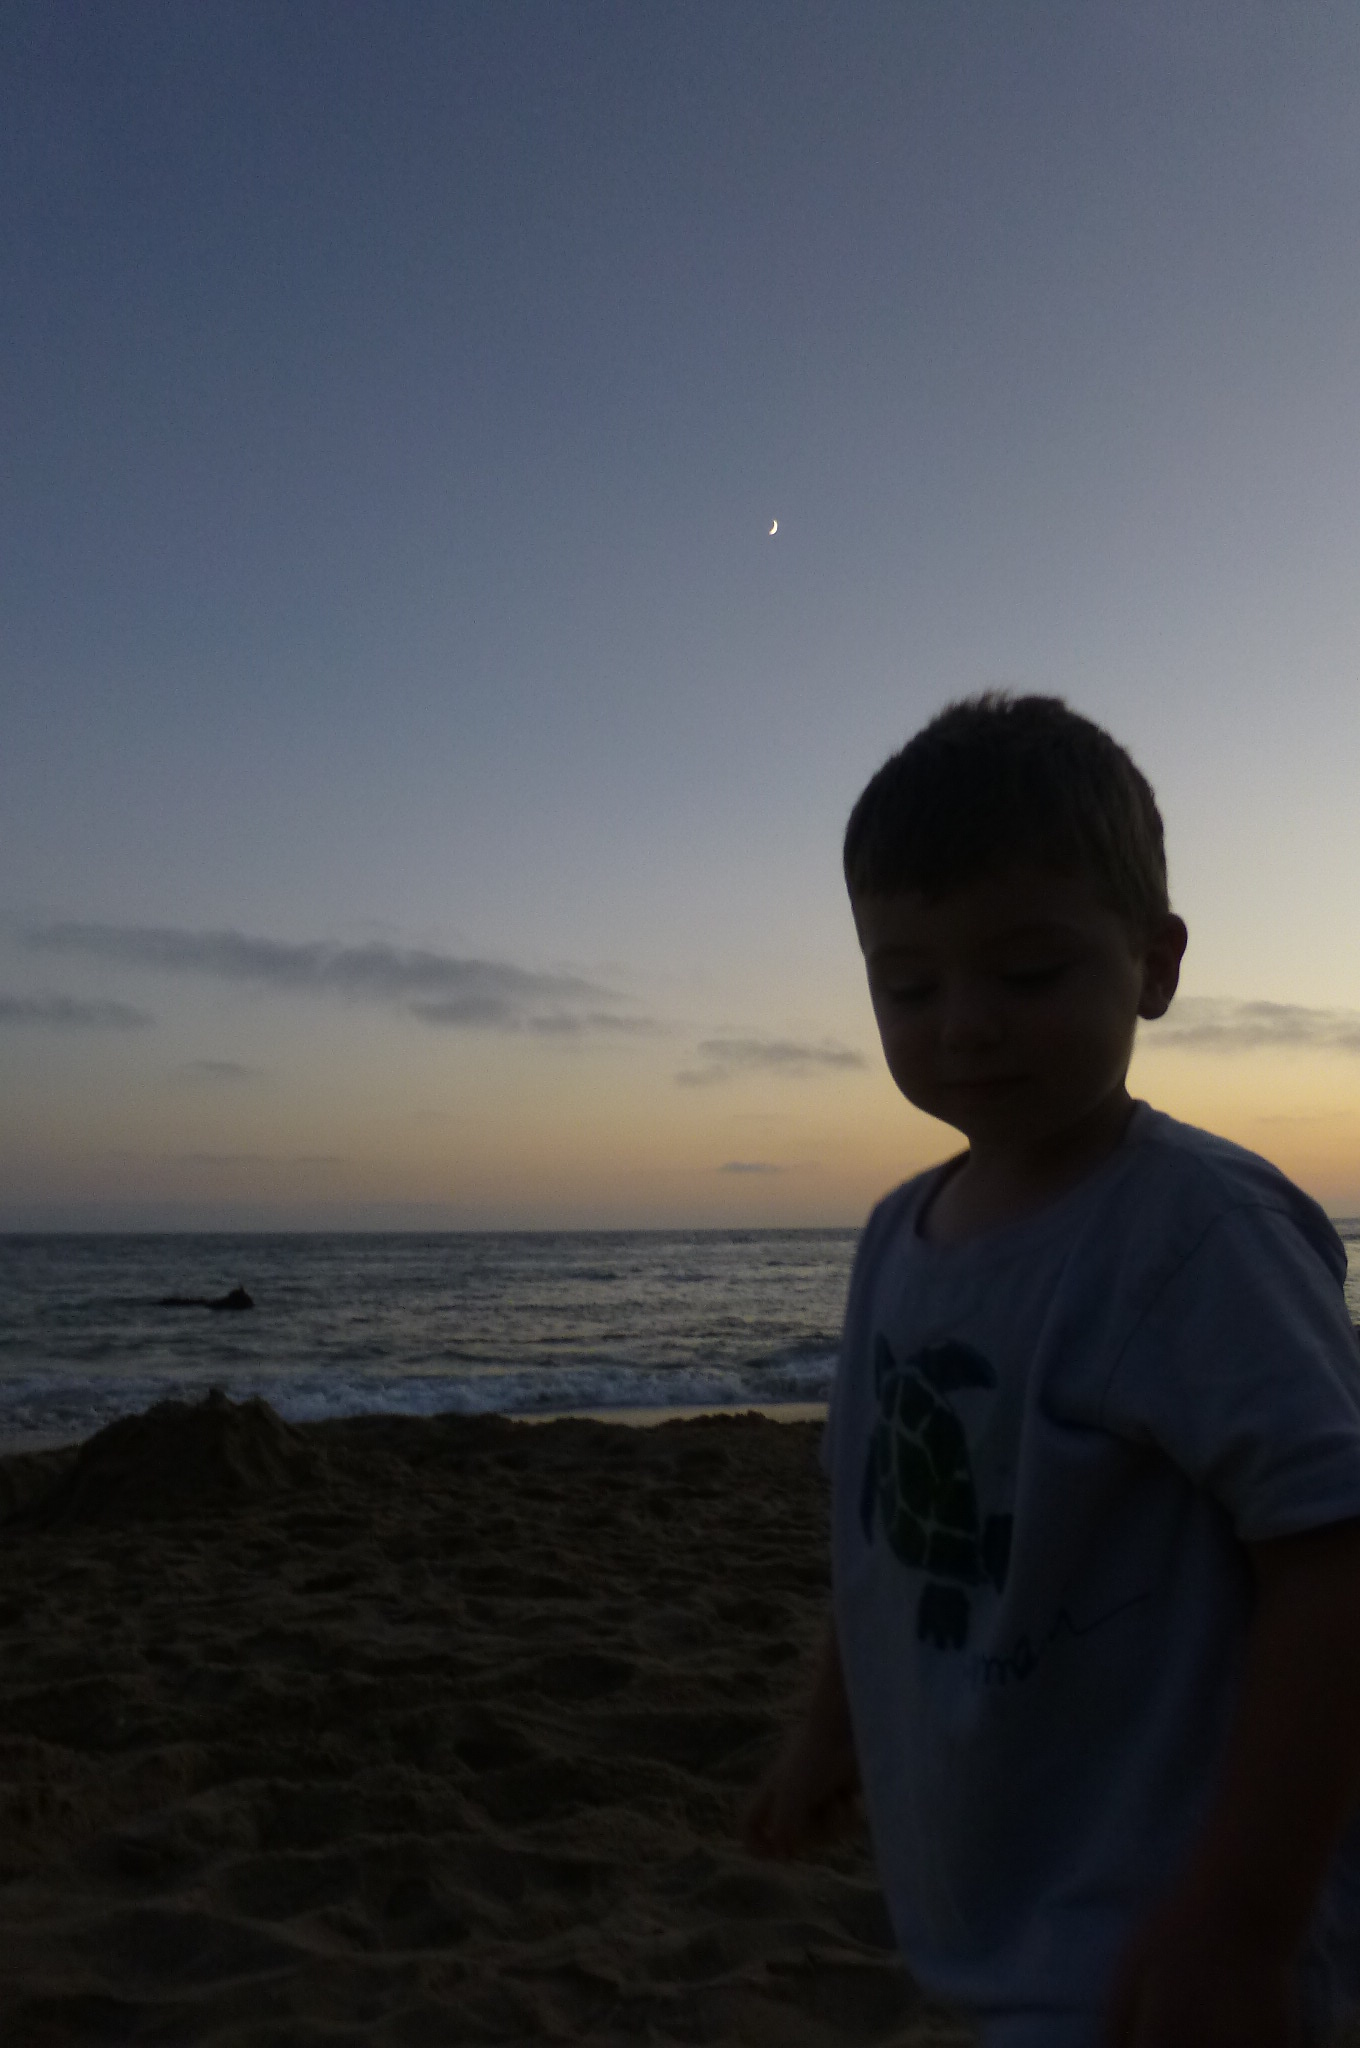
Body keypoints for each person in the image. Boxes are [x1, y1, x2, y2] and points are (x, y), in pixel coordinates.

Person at [745, 694, 1360, 2048]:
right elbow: (881, 1538)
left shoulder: (1199, 1233)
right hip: (999, 1904)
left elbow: (1334, 1556)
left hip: (1166, 1929)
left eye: (1027, 974)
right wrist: (830, 1729)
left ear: (1155, 964)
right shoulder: (894, 1237)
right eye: (909, 986)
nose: (964, 1024)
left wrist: (1244, 1918)